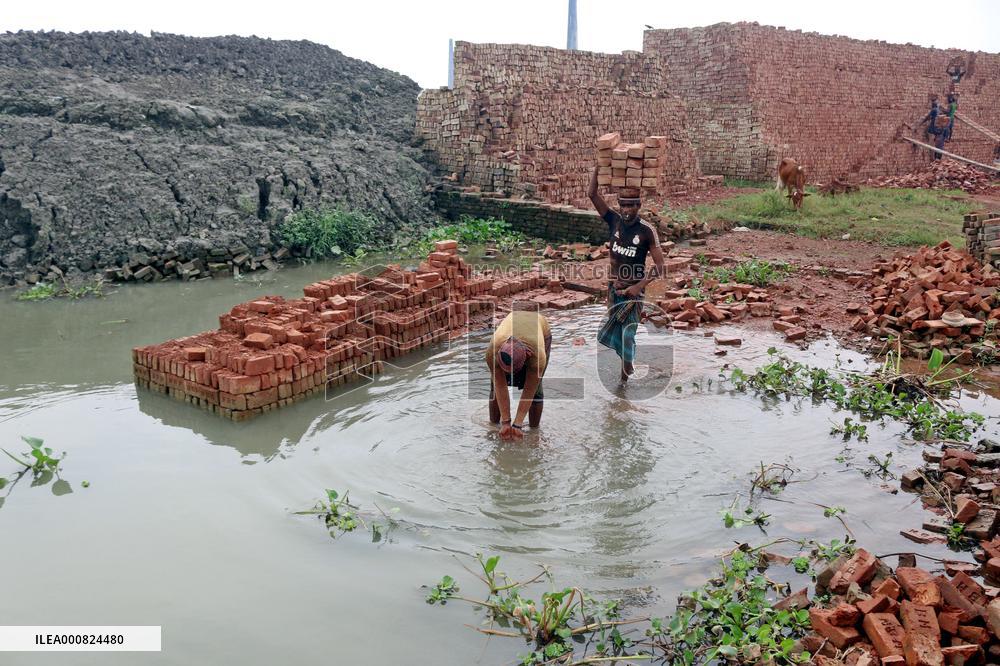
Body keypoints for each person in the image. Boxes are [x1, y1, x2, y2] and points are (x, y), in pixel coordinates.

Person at [588, 168, 665, 382]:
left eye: (631, 205)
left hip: (633, 294)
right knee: (613, 331)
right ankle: (627, 368)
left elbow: (660, 265)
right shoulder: (613, 220)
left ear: (639, 205)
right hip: (614, 290)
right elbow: (592, 195)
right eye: (622, 204)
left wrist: (639, 286)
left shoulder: (646, 230)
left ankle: (624, 379)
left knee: (628, 335)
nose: (626, 209)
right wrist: (598, 165)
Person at [486, 305, 551, 441]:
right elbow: (500, 384)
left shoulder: (538, 356)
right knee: (494, 387)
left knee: (536, 389)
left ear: (528, 355)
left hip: (541, 329)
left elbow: (529, 389)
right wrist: (506, 422)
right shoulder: (493, 350)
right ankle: (494, 427)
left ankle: (534, 433)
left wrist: (517, 425)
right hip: (513, 324)